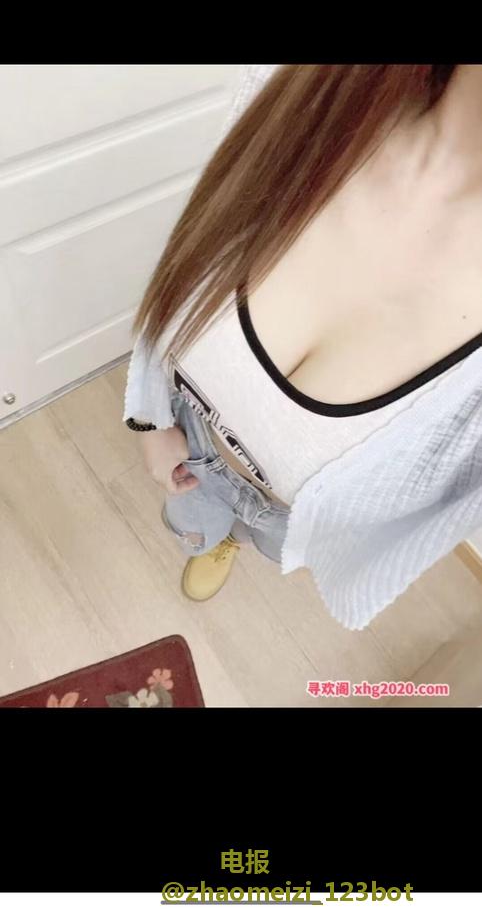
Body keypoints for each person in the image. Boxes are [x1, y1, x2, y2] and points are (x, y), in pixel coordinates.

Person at [123, 64, 482, 630]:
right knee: (192, 527)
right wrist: (149, 421)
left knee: (260, 539)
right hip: (188, 450)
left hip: (287, 522)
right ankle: (211, 541)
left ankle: (237, 540)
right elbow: (184, 261)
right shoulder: (302, 93)